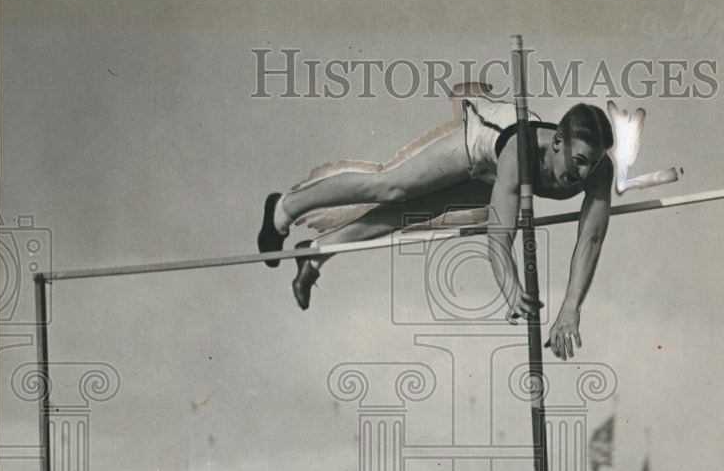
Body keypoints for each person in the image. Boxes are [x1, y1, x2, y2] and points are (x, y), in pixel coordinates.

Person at [257, 94, 614, 361]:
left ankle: (316, 254)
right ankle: (285, 207)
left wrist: (571, 307)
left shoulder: (599, 172)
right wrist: (509, 287)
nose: (583, 174)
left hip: (500, 168)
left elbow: (591, 238)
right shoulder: (521, 153)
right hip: (483, 144)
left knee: (410, 214)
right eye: (579, 161)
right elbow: (500, 233)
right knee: (392, 187)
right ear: (556, 142)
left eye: (592, 164)